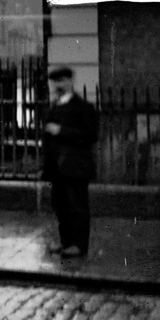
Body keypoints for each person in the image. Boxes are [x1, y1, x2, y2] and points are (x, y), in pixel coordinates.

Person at [41, 65, 100, 260]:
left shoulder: (83, 107)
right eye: (54, 82)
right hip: (57, 167)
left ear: (70, 82)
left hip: (76, 166)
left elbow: (91, 135)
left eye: (61, 81)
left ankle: (79, 246)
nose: (57, 85)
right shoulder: (54, 106)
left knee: (77, 207)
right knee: (61, 206)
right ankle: (66, 243)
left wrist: (61, 131)